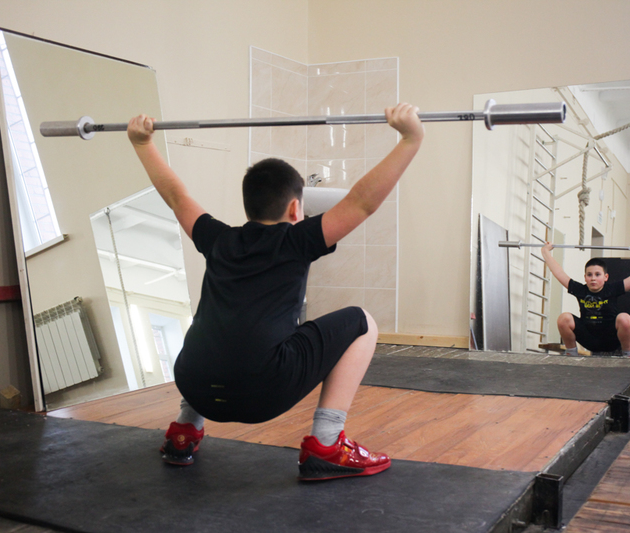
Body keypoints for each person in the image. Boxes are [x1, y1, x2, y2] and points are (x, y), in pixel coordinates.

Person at [127, 103, 424, 480]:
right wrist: (410, 139)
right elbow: (362, 202)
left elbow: (175, 195)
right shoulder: (296, 240)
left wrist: (142, 144)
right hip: (262, 394)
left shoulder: (218, 239)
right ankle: (327, 443)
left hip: (194, 385)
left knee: (217, 324)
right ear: (296, 208)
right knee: (362, 322)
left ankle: (184, 430)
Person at [541, 242, 630, 357]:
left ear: (605, 277)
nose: (593, 278)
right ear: (585, 277)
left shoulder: (613, 289)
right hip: (588, 339)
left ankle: (628, 355)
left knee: (625, 318)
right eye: (589, 275)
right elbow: (558, 272)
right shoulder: (580, 290)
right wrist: (545, 252)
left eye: (597, 274)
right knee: (564, 318)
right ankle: (571, 353)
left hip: (610, 339)